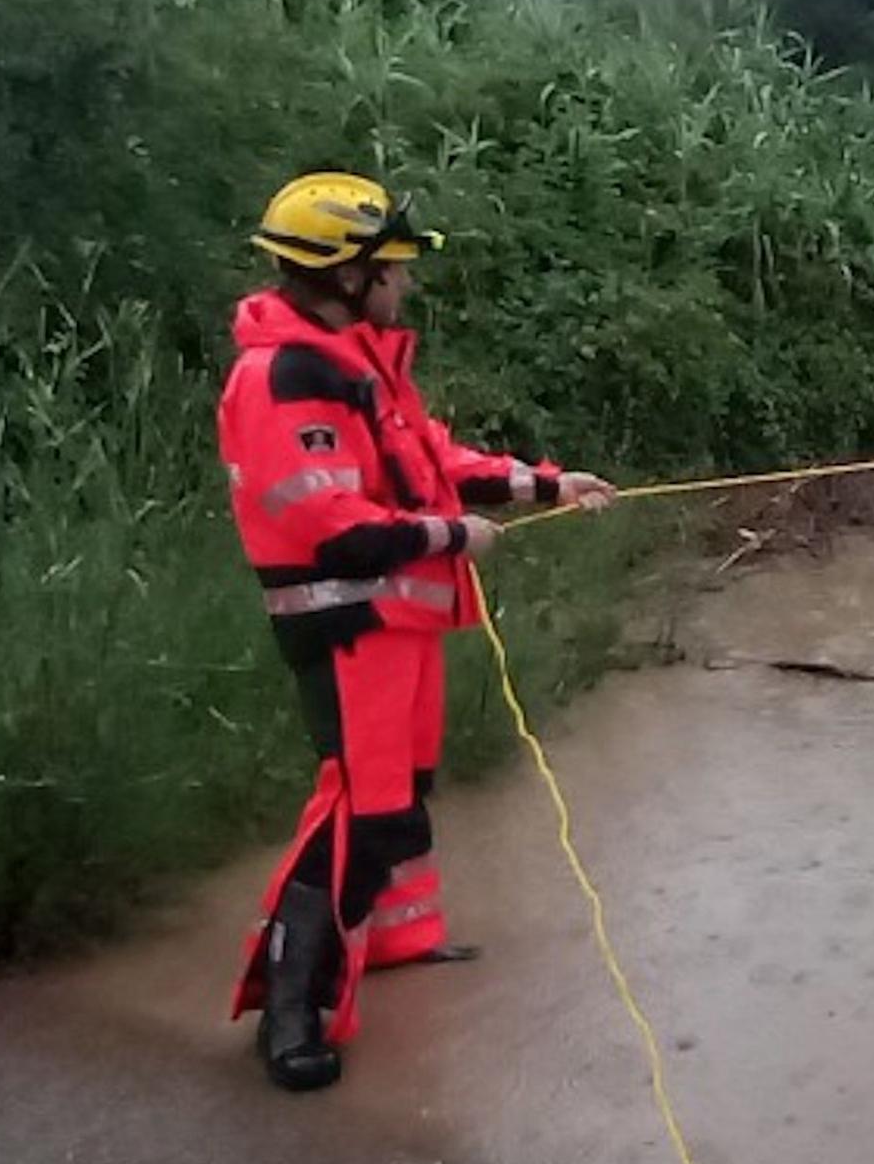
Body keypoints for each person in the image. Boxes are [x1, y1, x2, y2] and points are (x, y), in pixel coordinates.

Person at [220, 172, 613, 1092]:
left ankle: (392, 945)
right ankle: (290, 1011)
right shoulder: (284, 376)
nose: (404, 281)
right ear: (346, 275)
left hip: (396, 623)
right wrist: (450, 537)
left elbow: (428, 456)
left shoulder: (355, 360)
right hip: (349, 625)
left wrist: (544, 485)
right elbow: (331, 523)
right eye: (392, 267)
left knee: (397, 799)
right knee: (359, 809)